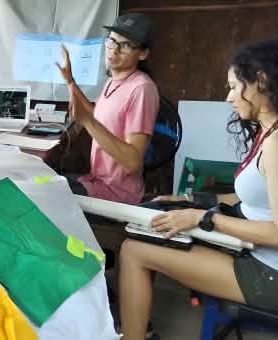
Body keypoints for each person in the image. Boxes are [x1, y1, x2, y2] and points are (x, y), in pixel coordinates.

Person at [119, 39, 278, 340]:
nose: (229, 96)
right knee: (149, 230)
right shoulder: (267, 133)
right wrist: (189, 200)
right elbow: (252, 198)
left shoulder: (277, 144)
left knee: (133, 251)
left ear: (261, 81)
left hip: (268, 274)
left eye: (234, 87)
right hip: (253, 254)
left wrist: (203, 218)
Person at [57, 13, 160, 204]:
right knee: (43, 182)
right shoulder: (113, 80)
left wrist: (87, 121)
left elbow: (132, 162)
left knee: (47, 197)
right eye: (112, 41)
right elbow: (98, 117)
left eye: (126, 45)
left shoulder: (142, 89)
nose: (114, 50)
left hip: (117, 195)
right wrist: (70, 81)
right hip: (95, 182)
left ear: (143, 54)